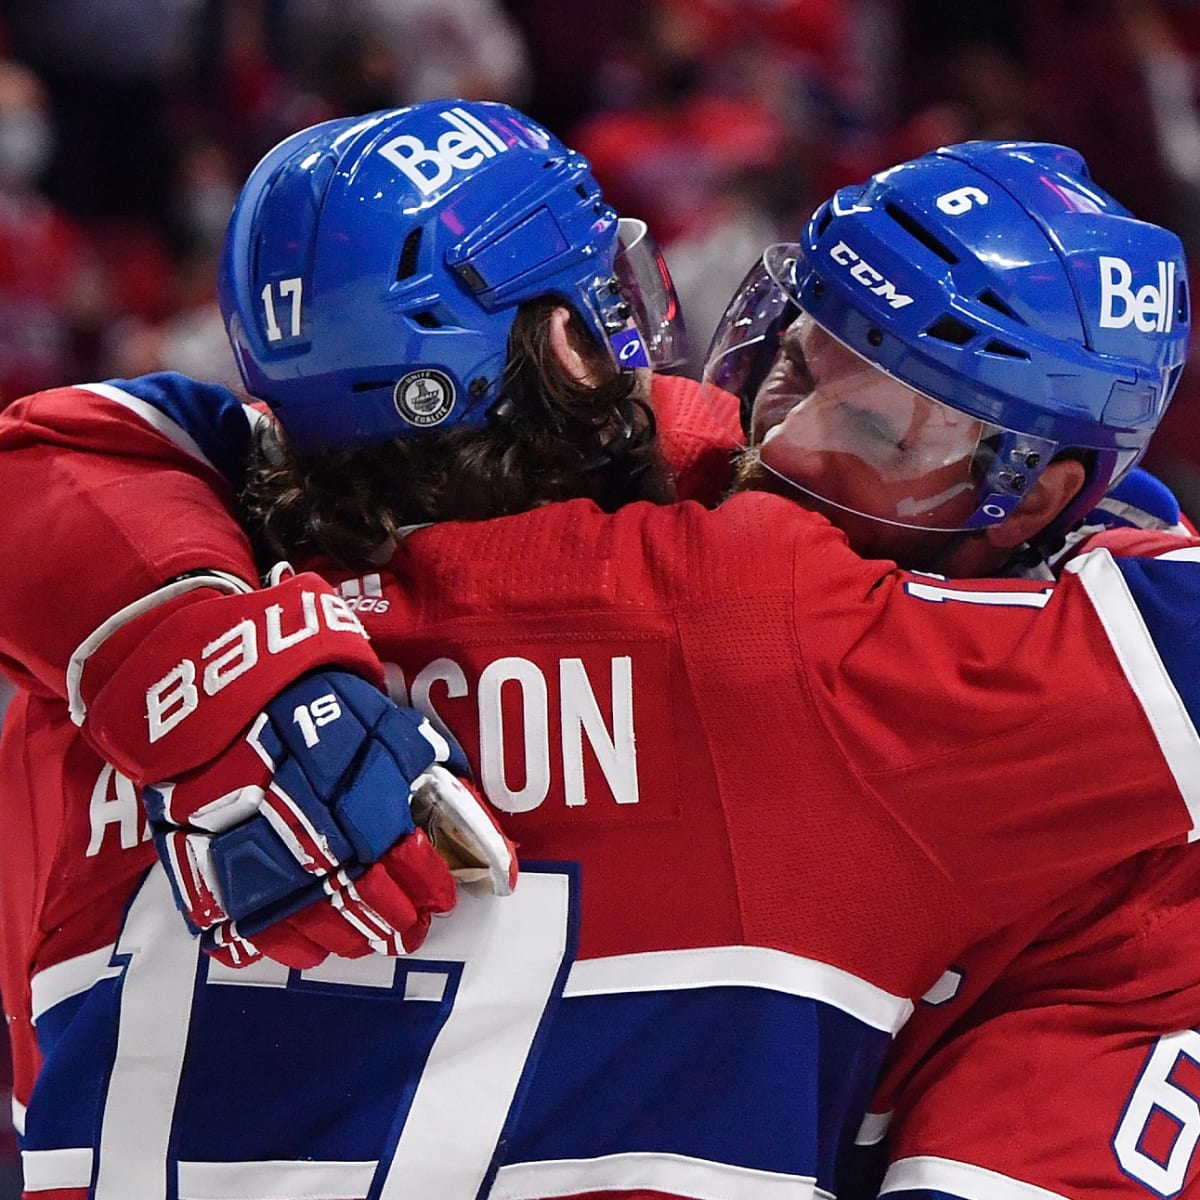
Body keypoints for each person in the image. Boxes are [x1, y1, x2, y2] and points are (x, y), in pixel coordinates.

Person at [0, 100, 1197, 1200]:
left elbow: (74, 452)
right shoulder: (765, 616)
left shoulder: (65, 710)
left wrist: (187, 644)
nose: (773, 433)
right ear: (576, 348)